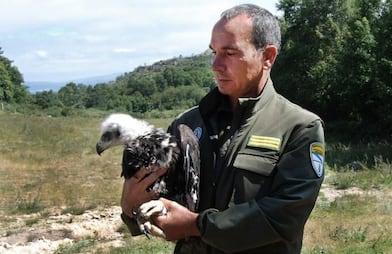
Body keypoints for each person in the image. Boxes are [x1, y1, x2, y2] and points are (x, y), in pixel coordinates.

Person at [120, 3, 325, 253]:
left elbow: (284, 216)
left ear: (267, 57)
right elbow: (166, 203)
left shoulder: (299, 127)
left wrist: (198, 226)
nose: (215, 64)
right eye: (214, 51)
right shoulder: (187, 124)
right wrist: (133, 208)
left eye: (229, 52)